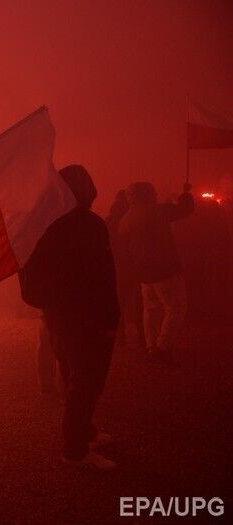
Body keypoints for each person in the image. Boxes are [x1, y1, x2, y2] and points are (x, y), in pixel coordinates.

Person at [20, 165, 120, 471]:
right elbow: (102, 278)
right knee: (86, 382)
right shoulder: (89, 224)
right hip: (88, 318)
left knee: (71, 376)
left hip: (59, 316)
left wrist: (49, 304)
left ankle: (84, 433)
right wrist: (109, 318)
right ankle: (75, 449)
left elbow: (29, 274)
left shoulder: (42, 225)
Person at [118, 181, 193, 364]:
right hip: (164, 268)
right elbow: (184, 211)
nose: (156, 195)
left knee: (150, 309)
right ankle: (162, 347)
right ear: (147, 195)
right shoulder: (156, 211)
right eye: (153, 192)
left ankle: (151, 347)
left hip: (143, 271)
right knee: (177, 307)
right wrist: (186, 194)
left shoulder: (126, 218)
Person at [105, 190, 143, 351]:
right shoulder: (133, 219)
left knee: (118, 304)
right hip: (135, 266)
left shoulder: (109, 220)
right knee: (140, 304)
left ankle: (119, 338)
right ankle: (143, 338)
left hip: (117, 268)